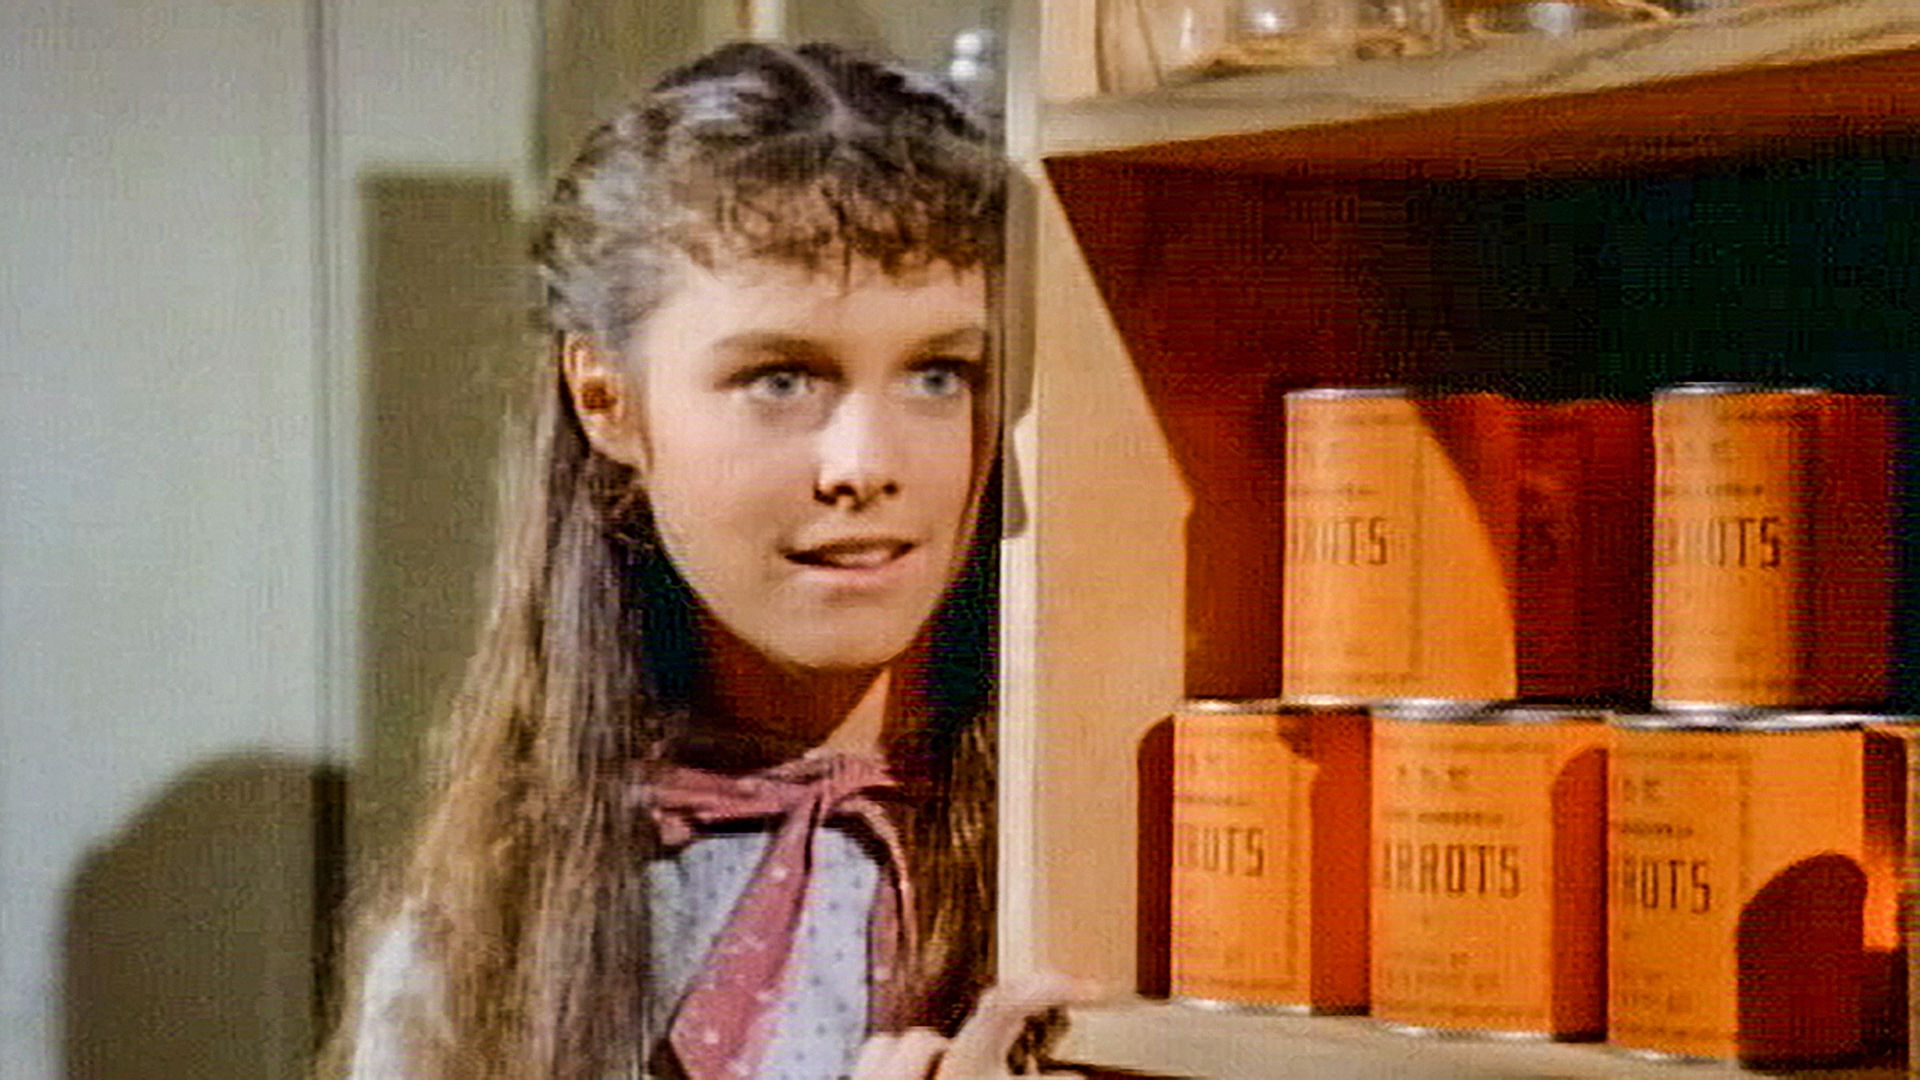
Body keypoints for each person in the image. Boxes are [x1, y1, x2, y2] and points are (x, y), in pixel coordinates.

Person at [322, 40, 1080, 1080]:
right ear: (606, 399)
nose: (864, 465)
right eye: (781, 380)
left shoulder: (1094, 865)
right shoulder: (492, 937)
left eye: (939, 375)